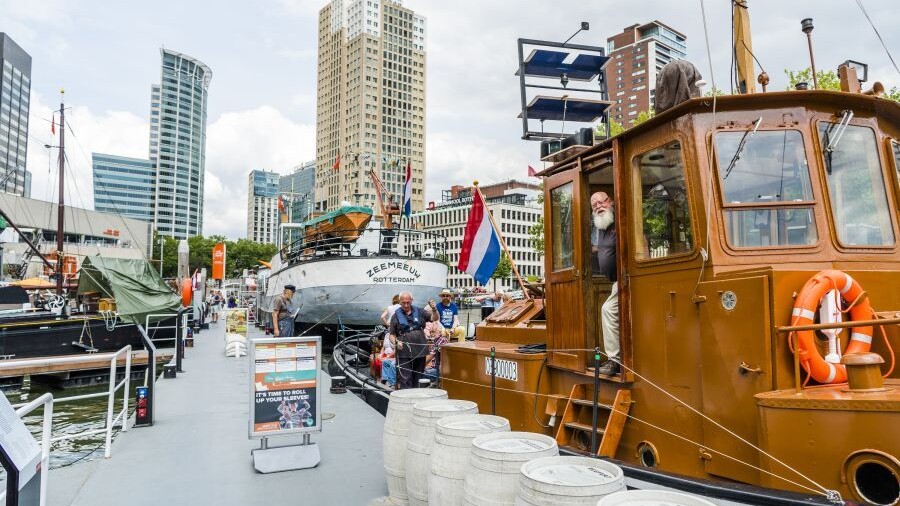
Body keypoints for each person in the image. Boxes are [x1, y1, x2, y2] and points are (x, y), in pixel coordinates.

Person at [591, 191, 619, 376]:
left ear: (611, 202)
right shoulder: (602, 226)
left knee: (607, 310)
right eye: (595, 205)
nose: (599, 206)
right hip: (616, 281)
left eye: (602, 202)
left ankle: (615, 360)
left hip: (627, 279)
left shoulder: (620, 222)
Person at [388, 292, 436, 389]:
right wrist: (396, 342)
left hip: (420, 351)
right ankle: (406, 399)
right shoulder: (395, 316)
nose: (406, 305)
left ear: (412, 301)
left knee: (418, 377)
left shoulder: (420, 312)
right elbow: (391, 335)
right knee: (405, 378)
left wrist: (434, 309)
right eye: (403, 303)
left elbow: (434, 318)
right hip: (403, 352)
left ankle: (417, 399)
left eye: (408, 302)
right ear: (399, 302)